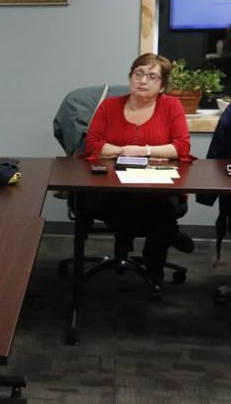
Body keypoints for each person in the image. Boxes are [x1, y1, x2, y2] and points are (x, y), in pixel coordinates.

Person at [82, 52, 195, 286]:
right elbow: (93, 143)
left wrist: (142, 151)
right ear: (130, 77)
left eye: (152, 77)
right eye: (138, 74)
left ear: (162, 85)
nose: (143, 81)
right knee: (137, 208)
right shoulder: (109, 106)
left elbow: (181, 146)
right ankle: (168, 235)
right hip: (112, 186)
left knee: (163, 206)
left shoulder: (171, 106)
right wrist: (127, 150)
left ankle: (153, 267)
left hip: (158, 187)